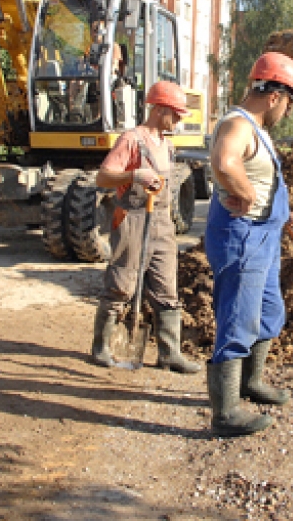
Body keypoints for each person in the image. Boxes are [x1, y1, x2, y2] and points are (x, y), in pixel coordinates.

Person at [205, 51, 293, 437]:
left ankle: (251, 381)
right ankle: (226, 411)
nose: (288, 112)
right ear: (276, 96)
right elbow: (224, 161)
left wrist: (285, 215)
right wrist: (245, 194)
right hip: (241, 235)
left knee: (267, 311)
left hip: (263, 233)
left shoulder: (258, 130)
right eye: (290, 103)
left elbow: (262, 182)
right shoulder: (238, 123)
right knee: (237, 317)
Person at [89, 81, 201, 374]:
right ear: (160, 109)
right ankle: (102, 346)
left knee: (166, 286)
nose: (178, 121)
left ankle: (169, 353)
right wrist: (134, 174)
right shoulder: (131, 140)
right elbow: (103, 178)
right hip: (133, 219)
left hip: (162, 221)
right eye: (175, 114)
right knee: (122, 284)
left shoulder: (167, 144)